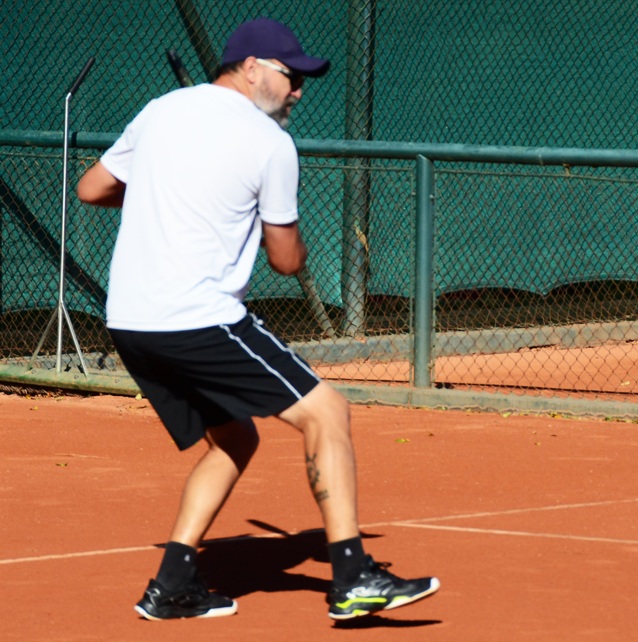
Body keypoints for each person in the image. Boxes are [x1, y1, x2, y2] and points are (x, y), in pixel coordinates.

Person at [76, 17, 438, 622]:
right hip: (198, 314)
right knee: (327, 410)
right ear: (250, 68)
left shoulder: (160, 110)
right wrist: (288, 245)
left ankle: (172, 586)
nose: (298, 89)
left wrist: (165, 197)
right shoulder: (271, 143)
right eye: (290, 76)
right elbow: (285, 258)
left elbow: (92, 188)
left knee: (235, 437)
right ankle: (352, 575)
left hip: (131, 320)